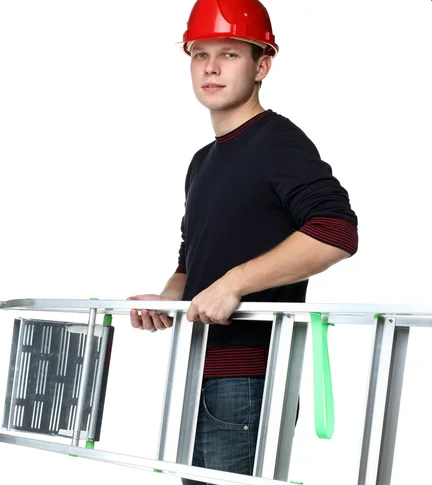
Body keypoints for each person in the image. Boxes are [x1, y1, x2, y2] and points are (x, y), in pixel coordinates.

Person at [127, 0, 359, 483]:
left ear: (263, 66)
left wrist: (235, 283)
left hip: (248, 379)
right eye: (199, 54)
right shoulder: (202, 161)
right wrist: (168, 299)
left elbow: (336, 230)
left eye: (230, 54)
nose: (210, 67)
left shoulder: (278, 140)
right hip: (196, 370)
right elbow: (190, 260)